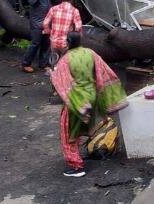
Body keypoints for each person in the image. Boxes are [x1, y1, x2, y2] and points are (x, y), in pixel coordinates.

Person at [50, 31, 128, 177]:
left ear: (68, 42)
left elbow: (62, 82)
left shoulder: (65, 60)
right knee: (80, 128)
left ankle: (77, 166)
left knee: (68, 133)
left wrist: (52, 74)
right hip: (91, 97)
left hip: (78, 100)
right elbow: (103, 73)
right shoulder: (91, 53)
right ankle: (86, 153)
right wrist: (103, 98)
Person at [42, 0, 82, 66]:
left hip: (54, 41)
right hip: (66, 43)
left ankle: (54, 73)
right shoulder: (74, 11)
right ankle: (62, 75)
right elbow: (78, 27)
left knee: (54, 60)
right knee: (64, 63)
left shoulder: (53, 9)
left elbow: (45, 23)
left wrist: (49, 31)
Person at [21, 0, 52, 73]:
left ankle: (43, 64)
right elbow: (31, 1)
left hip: (47, 22)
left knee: (46, 43)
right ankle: (26, 63)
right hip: (37, 22)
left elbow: (50, 3)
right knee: (35, 43)